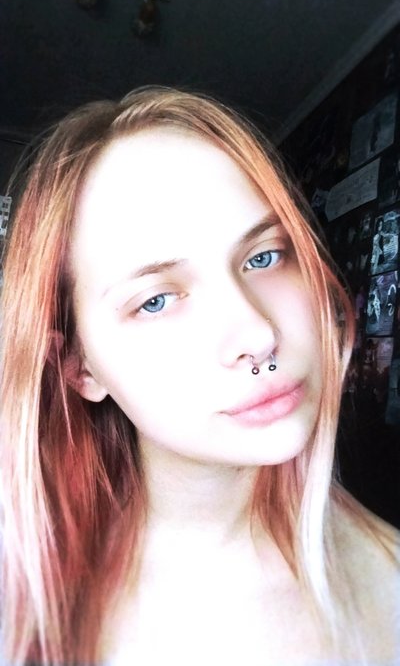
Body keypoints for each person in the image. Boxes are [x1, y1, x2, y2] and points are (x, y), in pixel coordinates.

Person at [0, 87, 398, 666]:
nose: (257, 334)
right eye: (156, 300)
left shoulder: (386, 587)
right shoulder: (20, 606)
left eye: (264, 257)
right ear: (81, 368)